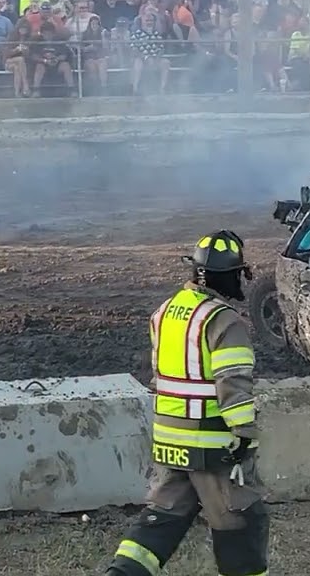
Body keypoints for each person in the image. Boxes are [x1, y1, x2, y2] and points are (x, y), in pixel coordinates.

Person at [105, 230, 269, 576]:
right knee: (240, 522)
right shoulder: (224, 320)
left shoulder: (165, 311)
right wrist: (244, 434)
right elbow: (233, 382)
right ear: (230, 275)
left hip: (169, 440)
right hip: (213, 447)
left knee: (160, 520)